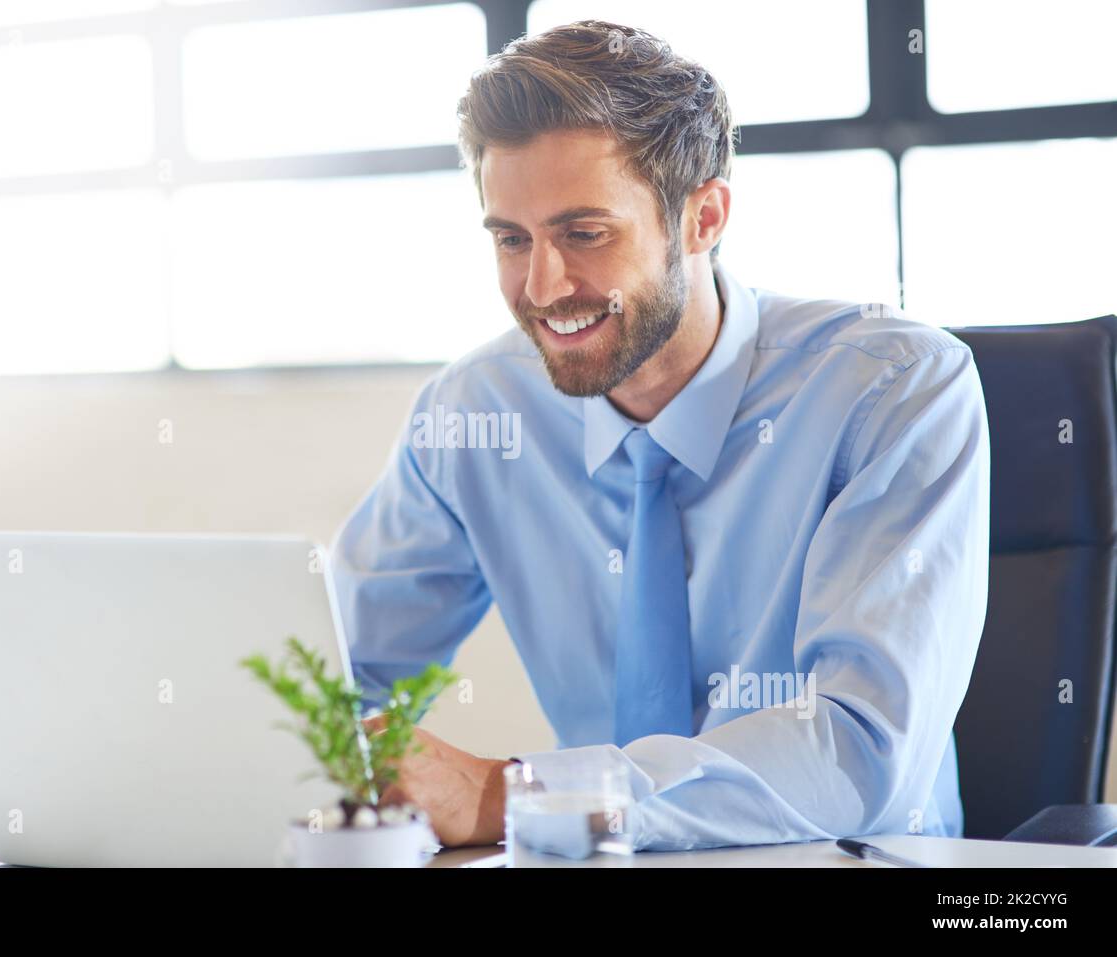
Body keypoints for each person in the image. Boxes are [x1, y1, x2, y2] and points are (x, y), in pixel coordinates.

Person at [329, 20, 990, 851]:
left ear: (703, 216)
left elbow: (858, 750)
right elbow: (333, 682)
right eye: (511, 239)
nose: (542, 287)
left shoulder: (893, 389)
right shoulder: (473, 415)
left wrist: (523, 795)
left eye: (584, 233)